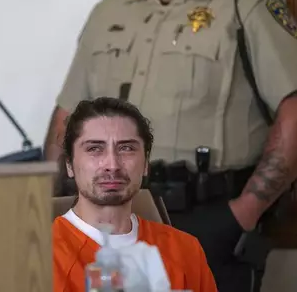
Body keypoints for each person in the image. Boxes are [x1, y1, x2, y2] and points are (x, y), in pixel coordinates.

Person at [45, 0, 297, 291]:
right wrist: (47, 202)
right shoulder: (110, 12)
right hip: (108, 218)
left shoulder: (245, 6)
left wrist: (245, 211)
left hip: (205, 216)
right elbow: (67, 116)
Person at [53, 96, 217, 292]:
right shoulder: (40, 258)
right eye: (94, 149)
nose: (112, 165)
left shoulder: (185, 249)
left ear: (146, 163)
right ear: (69, 165)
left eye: (126, 148)